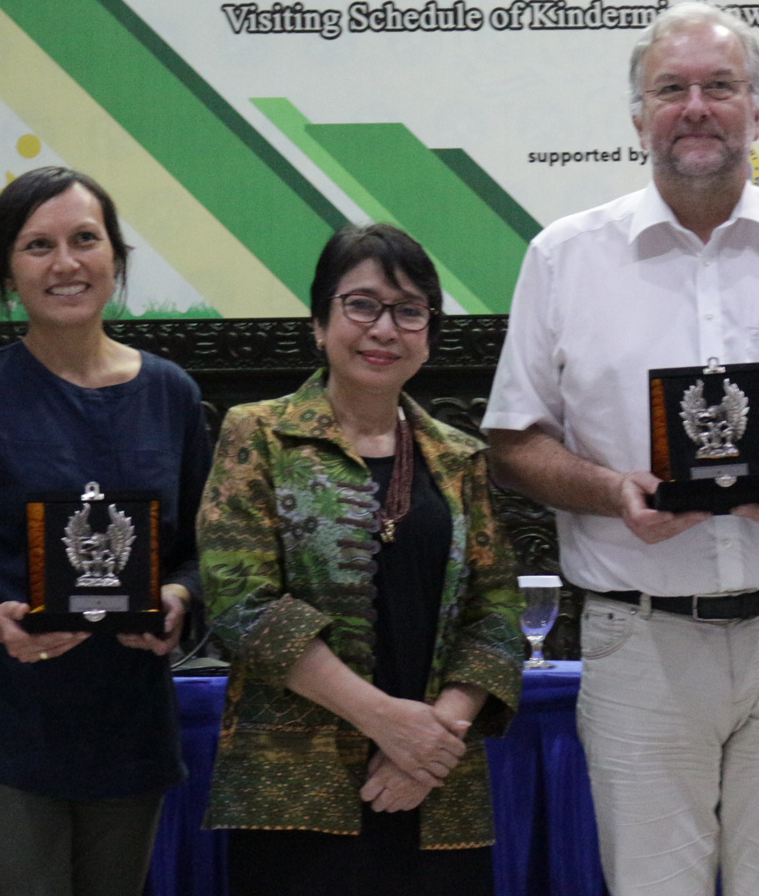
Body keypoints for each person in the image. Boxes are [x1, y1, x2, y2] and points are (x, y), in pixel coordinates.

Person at [483, 2, 759, 896]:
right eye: (671, 89)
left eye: (720, 86)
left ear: (757, 110)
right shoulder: (564, 259)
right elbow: (513, 442)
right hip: (638, 642)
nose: (696, 107)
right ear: (638, 115)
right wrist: (612, 493)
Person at [0, 166, 212, 896]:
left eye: (85, 239)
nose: (66, 263)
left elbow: (206, 555)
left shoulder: (171, 392)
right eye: (37, 245)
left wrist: (176, 598)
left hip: (127, 728)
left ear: (116, 257)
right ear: (7, 274)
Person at [199, 223, 524, 896]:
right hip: (294, 798)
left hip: (437, 788)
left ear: (429, 332)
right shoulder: (257, 434)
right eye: (362, 304)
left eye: (409, 311)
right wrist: (386, 720)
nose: (385, 328)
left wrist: (429, 746)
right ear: (320, 322)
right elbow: (242, 604)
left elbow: (496, 617)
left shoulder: (460, 458)